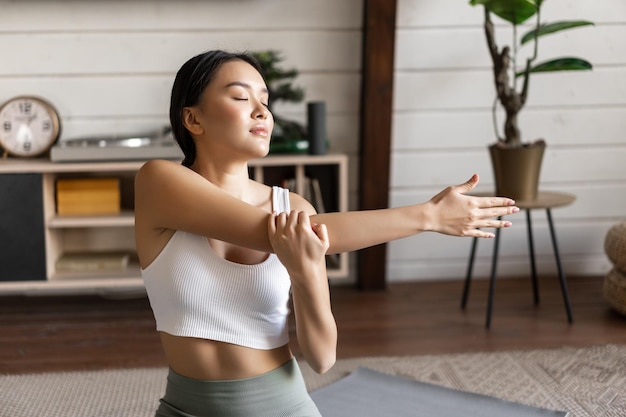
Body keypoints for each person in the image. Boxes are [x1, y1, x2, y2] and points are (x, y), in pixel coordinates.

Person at [134, 49, 519, 417]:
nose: (261, 112)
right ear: (193, 120)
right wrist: (427, 216)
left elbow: (322, 358)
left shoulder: (296, 208)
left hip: (281, 407)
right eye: (240, 97)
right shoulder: (159, 182)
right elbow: (277, 233)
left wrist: (306, 273)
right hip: (185, 409)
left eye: (265, 101)